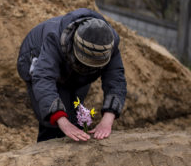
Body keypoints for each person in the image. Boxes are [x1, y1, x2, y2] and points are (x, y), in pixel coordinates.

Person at [17, 8, 127, 142]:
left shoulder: (109, 44)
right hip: (36, 58)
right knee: (53, 123)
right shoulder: (54, 38)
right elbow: (43, 78)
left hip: (76, 74)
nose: (88, 67)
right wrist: (61, 119)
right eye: (86, 63)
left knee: (75, 113)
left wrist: (108, 119)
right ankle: (47, 149)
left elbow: (116, 79)